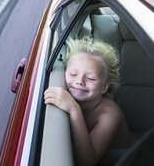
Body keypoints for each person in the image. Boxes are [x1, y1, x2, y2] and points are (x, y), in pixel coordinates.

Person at [44, 37, 136, 166]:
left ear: (104, 87)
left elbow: (87, 162)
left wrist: (74, 109)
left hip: (131, 158)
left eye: (90, 78)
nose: (79, 81)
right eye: (73, 74)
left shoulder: (110, 113)